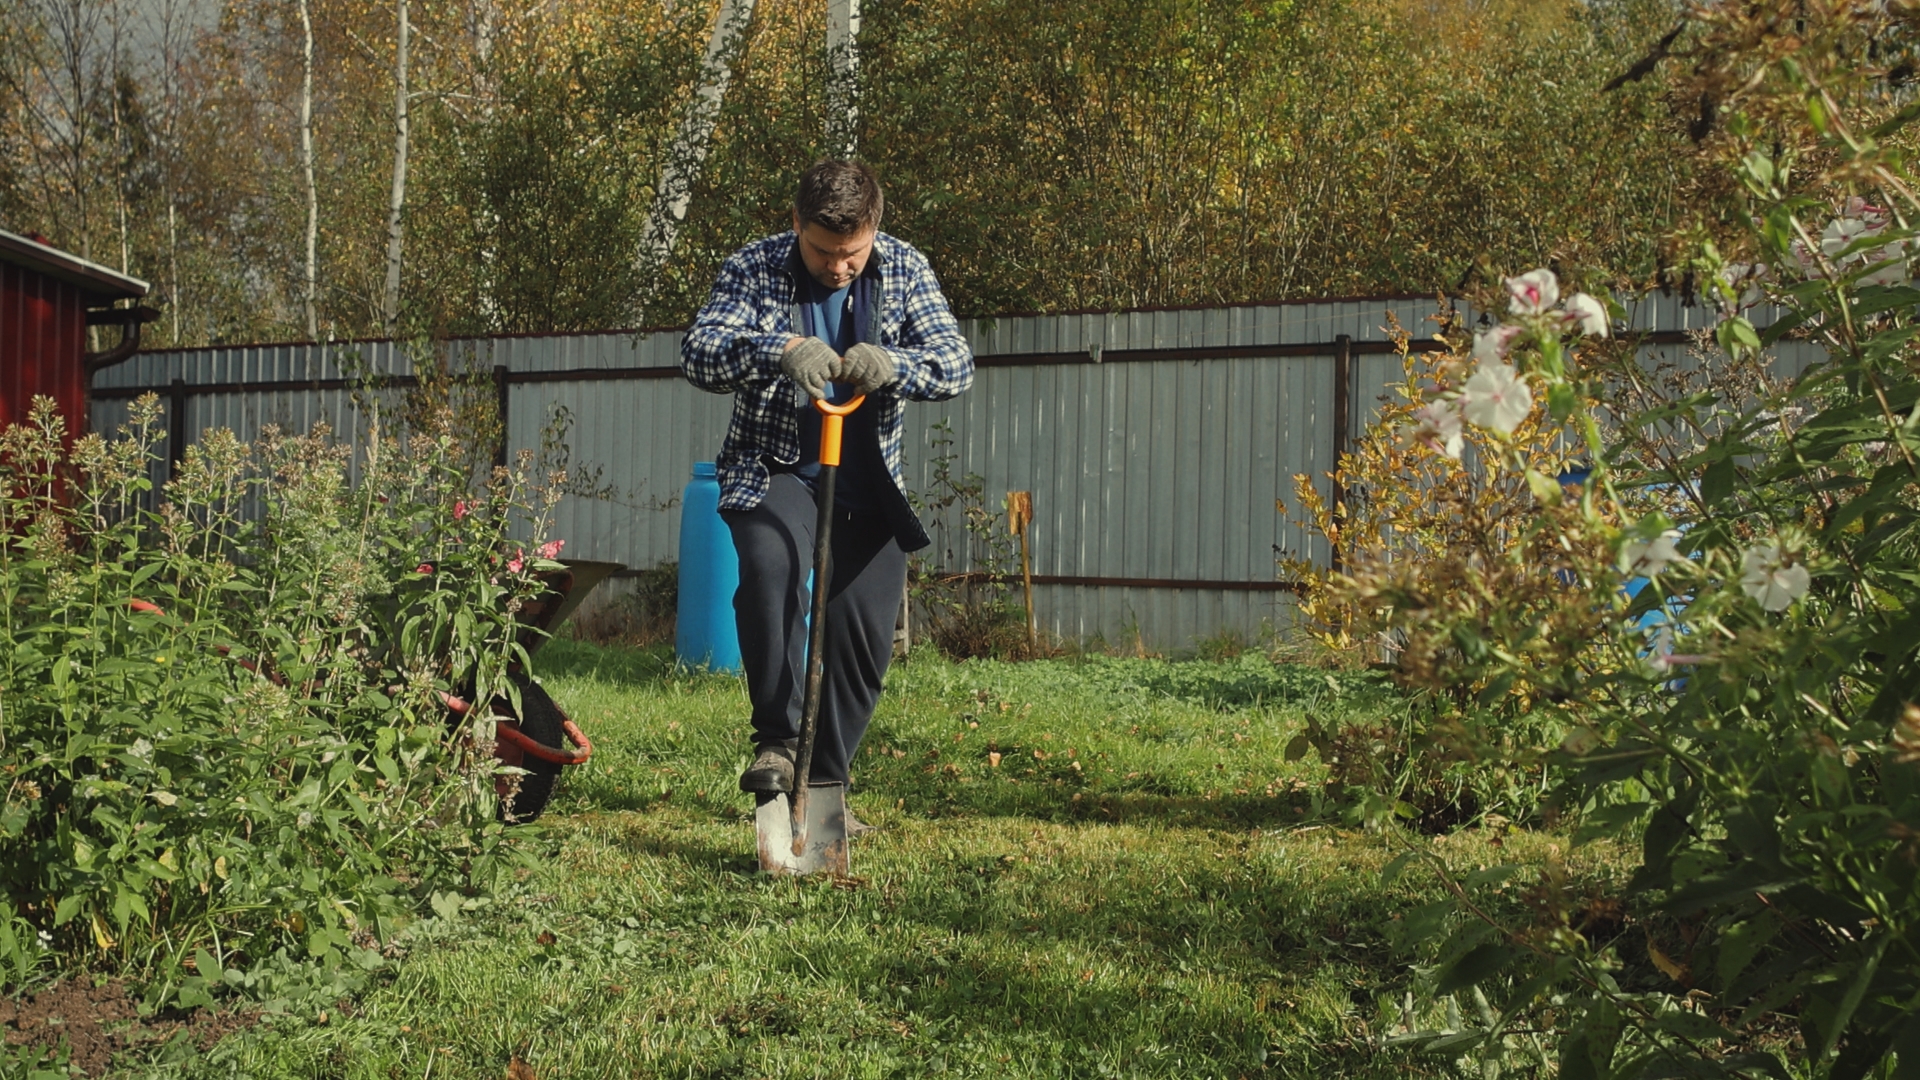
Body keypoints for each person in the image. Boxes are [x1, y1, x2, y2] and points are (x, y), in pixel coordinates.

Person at [680, 160, 974, 824]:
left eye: (852, 254)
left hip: (868, 478)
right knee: (772, 568)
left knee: (863, 638)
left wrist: (896, 363)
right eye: (822, 252)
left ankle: (823, 788)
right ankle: (779, 742)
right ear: (796, 224)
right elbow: (699, 351)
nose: (839, 268)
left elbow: (956, 363)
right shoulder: (755, 267)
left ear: (874, 229)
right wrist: (777, 349)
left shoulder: (905, 268)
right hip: (776, 469)